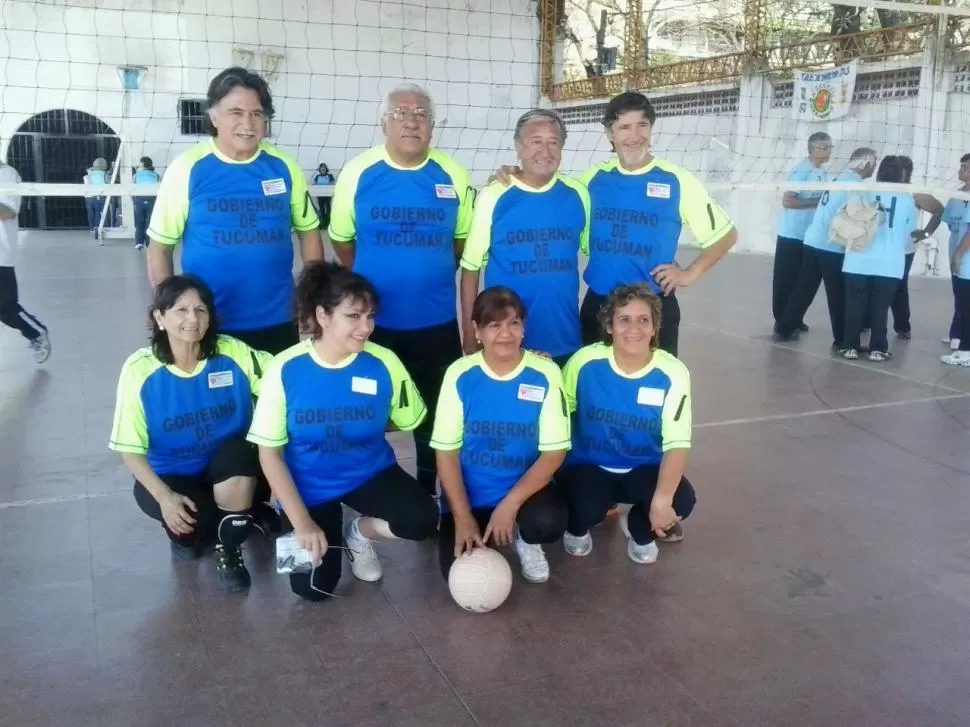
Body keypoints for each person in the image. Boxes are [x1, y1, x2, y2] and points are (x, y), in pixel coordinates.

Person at [247, 262, 437, 602]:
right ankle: (313, 527)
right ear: (322, 316)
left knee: (422, 519)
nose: (366, 328)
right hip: (308, 486)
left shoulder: (384, 362)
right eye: (353, 316)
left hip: (368, 472)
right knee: (311, 588)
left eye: (370, 316)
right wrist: (302, 523)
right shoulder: (284, 367)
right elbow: (269, 454)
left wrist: (357, 423)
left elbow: (408, 420)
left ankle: (359, 534)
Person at [493, 91, 737, 356]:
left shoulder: (676, 180)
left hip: (651, 307)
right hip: (600, 304)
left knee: (650, 389)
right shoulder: (592, 181)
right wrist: (515, 175)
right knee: (590, 387)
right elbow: (546, 188)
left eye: (641, 125)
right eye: (624, 127)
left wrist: (689, 273)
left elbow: (726, 235)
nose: (634, 136)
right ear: (610, 133)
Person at [327, 83, 474, 493]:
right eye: (401, 113)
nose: (412, 121)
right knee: (369, 410)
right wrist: (372, 283)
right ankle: (375, 487)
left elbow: (460, 242)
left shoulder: (453, 174)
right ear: (383, 124)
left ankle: (429, 489)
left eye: (422, 114)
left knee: (434, 416)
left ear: (432, 125)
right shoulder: (358, 173)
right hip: (375, 328)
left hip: (437, 323)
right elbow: (341, 239)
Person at [108, 275, 270, 593]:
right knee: (193, 529)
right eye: (180, 310)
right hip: (172, 475)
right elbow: (129, 450)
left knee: (239, 458)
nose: (192, 319)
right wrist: (164, 498)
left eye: (201, 309)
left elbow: (282, 381)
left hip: (228, 467)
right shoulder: (139, 370)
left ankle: (230, 547)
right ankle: (224, 521)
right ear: (159, 317)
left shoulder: (232, 352)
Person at [147, 66, 324, 355]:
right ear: (214, 116)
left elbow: (308, 231)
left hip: (277, 320)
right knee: (221, 400)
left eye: (257, 114)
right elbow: (160, 247)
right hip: (209, 323)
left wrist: (313, 298)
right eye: (236, 112)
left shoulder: (284, 166)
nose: (248, 123)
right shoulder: (187, 169)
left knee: (272, 399)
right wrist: (170, 314)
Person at [432, 287, 570, 584]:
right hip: (472, 496)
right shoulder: (459, 374)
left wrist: (510, 505)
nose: (505, 334)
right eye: (494, 325)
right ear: (477, 330)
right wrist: (462, 517)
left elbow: (554, 453)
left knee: (548, 522)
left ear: (524, 327)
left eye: (514, 323)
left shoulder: (545, 373)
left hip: (524, 491)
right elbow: (446, 453)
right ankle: (478, 524)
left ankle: (526, 540)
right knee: (455, 573)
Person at [559, 283, 696, 564]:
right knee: (583, 506)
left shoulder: (672, 372)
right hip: (590, 465)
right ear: (609, 326)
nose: (634, 328)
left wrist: (660, 501)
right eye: (624, 319)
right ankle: (577, 527)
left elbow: (677, 442)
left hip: (642, 468)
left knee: (681, 500)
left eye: (643, 320)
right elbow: (561, 416)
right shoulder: (584, 362)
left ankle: (638, 529)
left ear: (655, 327)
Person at [460, 109, 589, 367]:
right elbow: (471, 268)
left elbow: (595, 251)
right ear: (518, 147)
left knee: (562, 406)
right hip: (507, 341)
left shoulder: (578, 194)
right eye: (536, 141)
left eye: (553, 142)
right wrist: (469, 332)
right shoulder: (494, 195)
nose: (545, 150)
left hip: (564, 338)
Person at [773, 147, 877, 346]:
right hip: (830, 245)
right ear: (865, 164)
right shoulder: (854, 186)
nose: (874, 168)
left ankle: (784, 328)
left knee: (804, 288)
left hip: (812, 240)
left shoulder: (838, 179)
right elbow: (858, 217)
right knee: (837, 293)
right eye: (873, 163)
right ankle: (842, 340)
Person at [840, 156, 916, 361]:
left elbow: (847, 217)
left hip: (858, 258)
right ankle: (877, 349)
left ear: (880, 170)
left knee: (855, 306)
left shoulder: (863, 190)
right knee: (879, 308)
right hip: (888, 262)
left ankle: (849, 347)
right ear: (901, 174)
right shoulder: (906, 198)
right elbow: (908, 231)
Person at [773, 132, 832, 335]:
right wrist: (816, 203)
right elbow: (788, 201)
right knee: (785, 280)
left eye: (830, 147)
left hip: (809, 236)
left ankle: (795, 318)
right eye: (824, 147)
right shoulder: (801, 171)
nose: (828, 151)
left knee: (803, 280)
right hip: (792, 235)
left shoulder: (823, 172)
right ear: (811, 149)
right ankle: (781, 322)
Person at [0, 161, 50, 364]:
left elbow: (8, 210)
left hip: (0, 257)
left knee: (5, 309)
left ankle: (36, 332)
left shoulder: (7, 174)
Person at [888, 156, 943, 340]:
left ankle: (902, 326)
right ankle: (866, 323)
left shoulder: (915, 193)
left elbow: (939, 209)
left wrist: (926, 233)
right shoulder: (881, 188)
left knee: (899, 287)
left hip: (904, 249)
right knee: (875, 285)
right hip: (882, 248)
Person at [939, 154, 970, 350]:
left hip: (964, 258)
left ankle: (964, 347)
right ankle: (956, 335)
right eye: (961, 167)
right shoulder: (958, 195)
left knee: (966, 301)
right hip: (956, 256)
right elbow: (947, 220)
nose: (962, 170)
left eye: (966, 167)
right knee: (960, 298)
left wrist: (959, 254)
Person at [132, 156, 160, 250]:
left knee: (140, 222)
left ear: (142, 164)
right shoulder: (156, 175)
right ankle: (149, 242)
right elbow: (160, 188)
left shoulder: (136, 175)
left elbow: (131, 188)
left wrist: (133, 200)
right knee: (150, 222)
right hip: (152, 199)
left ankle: (139, 242)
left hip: (139, 199)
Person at [83, 157, 109, 238]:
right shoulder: (106, 174)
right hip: (103, 196)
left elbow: (88, 185)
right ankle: (104, 228)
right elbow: (108, 183)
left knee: (94, 212)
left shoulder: (88, 176)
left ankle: (94, 228)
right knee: (103, 213)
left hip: (92, 196)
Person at [312, 163, 335, 230]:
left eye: (324, 167)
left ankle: (328, 223)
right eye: (321, 167)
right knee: (322, 209)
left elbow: (333, 183)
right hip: (320, 195)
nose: (323, 169)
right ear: (320, 169)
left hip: (327, 195)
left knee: (328, 209)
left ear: (326, 169)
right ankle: (323, 223)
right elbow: (314, 184)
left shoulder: (330, 176)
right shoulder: (317, 176)